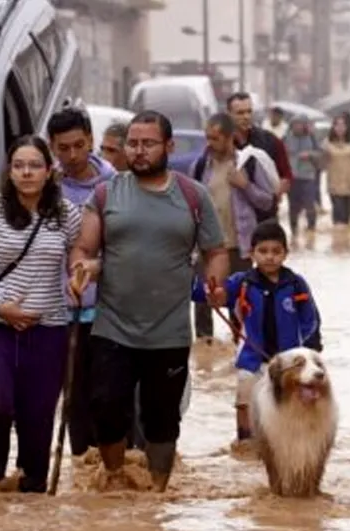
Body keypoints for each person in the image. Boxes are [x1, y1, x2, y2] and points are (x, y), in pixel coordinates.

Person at [69, 111, 229, 492]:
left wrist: (216, 282)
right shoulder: (107, 193)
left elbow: (216, 250)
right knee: (106, 411)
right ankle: (116, 480)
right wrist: (80, 269)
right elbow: (83, 247)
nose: (139, 152)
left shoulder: (192, 195)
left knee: (162, 421)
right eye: (133, 144)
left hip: (169, 331)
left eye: (148, 144)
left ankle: (157, 494)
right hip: (113, 327)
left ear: (168, 147)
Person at [0, 135, 82, 493]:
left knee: (38, 417)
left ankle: (31, 499)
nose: (26, 173)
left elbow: (81, 255)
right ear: (9, 172)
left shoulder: (66, 215)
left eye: (34, 166)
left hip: (48, 331)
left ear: (49, 172)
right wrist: (1, 306)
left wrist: (79, 277)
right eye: (18, 166)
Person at [191, 220, 321, 454]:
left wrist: (308, 350)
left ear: (285, 254)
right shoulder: (241, 283)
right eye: (263, 251)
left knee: (293, 404)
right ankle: (245, 444)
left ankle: (291, 445)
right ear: (251, 253)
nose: (269, 257)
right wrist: (205, 288)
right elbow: (210, 295)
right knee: (244, 401)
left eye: (276, 252)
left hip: (289, 363)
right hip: (251, 358)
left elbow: (310, 319)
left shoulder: (296, 285)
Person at [46, 108, 118, 458]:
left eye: (79, 145)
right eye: (63, 148)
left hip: (109, 312)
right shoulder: (45, 189)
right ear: (52, 147)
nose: (72, 155)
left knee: (108, 398)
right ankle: (83, 471)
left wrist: (95, 268)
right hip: (60, 313)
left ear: (91, 139)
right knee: (72, 401)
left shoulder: (115, 186)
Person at [191, 112, 275, 341]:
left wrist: (245, 185)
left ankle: (240, 350)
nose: (210, 143)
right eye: (207, 137)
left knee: (239, 303)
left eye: (215, 138)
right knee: (202, 303)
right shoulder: (200, 166)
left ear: (230, 137)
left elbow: (267, 200)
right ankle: (205, 355)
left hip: (239, 246)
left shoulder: (248, 163)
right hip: (208, 246)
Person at [226, 92, 290, 208]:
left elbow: (286, 175)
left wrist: (279, 192)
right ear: (229, 114)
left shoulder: (270, 141)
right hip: (233, 214)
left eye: (249, 111)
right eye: (240, 113)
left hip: (264, 214)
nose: (246, 117)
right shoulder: (222, 144)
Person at [324, 114, 350, 245]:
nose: (340, 128)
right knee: (338, 219)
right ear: (333, 127)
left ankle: (346, 246)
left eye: (343, 125)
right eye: (337, 125)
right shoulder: (327, 144)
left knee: (347, 220)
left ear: (347, 127)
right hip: (334, 186)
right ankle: (337, 246)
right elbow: (322, 164)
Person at [283, 116, 322, 244]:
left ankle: (311, 231)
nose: (298, 127)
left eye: (300, 124)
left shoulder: (311, 137)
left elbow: (320, 153)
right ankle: (294, 233)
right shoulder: (286, 138)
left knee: (309, 205)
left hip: (308, 177)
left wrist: (310, 154)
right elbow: (279, 155)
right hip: (292, 177)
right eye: (295, 124)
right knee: (293, 207)